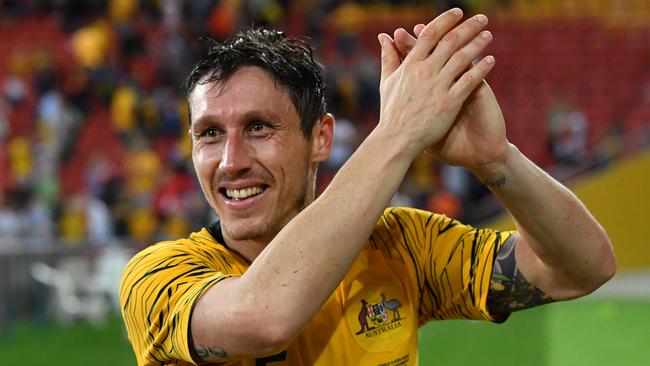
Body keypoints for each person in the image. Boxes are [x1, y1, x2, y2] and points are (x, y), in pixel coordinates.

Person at [119, 8, 616, 366]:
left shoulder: (400, 245)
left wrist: (495, 158)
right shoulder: (157, 278)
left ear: (321, 138)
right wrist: (397, 133)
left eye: (258, 128)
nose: (231, 162)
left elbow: (584, 266)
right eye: (209, 134)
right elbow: (265, 319)